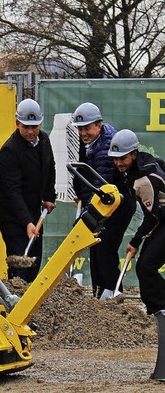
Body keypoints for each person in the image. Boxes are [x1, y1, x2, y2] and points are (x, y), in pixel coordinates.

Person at [108, 129, 165, 381]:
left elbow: (153, 218)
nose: (119, 162)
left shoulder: (143, 179)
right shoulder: (140, 166)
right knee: (146, 265)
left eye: (123, 158)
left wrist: (135, 240)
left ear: (133, 153)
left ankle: (159, 308)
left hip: (163, 221)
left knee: (145, 267)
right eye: (115, 158)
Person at [71, 102, 135, 298]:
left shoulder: (106, 147)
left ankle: (113, 295)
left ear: (99, 125)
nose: (83, 133)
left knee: (105, 247)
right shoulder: (90, 142)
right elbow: (83, 173)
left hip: (116, 205)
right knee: (96, 247)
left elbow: (101, 186)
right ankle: (99, 292)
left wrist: (86, 214)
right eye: (80, 128)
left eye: (87, 128)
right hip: (103, 203)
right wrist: (80, 193)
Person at [0, 99, 57, 282]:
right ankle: (16, 299)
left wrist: (48, 197)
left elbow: (50, 168)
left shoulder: (44, 140)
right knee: (20, 261)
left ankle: (30, 299)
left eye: (34, 126)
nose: (30, 131)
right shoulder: (9, 150)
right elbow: (12, 190)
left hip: (33, 208)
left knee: (34, 260)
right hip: (11, 214)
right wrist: (27, 222)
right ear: (17, 124)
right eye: (25, 127)